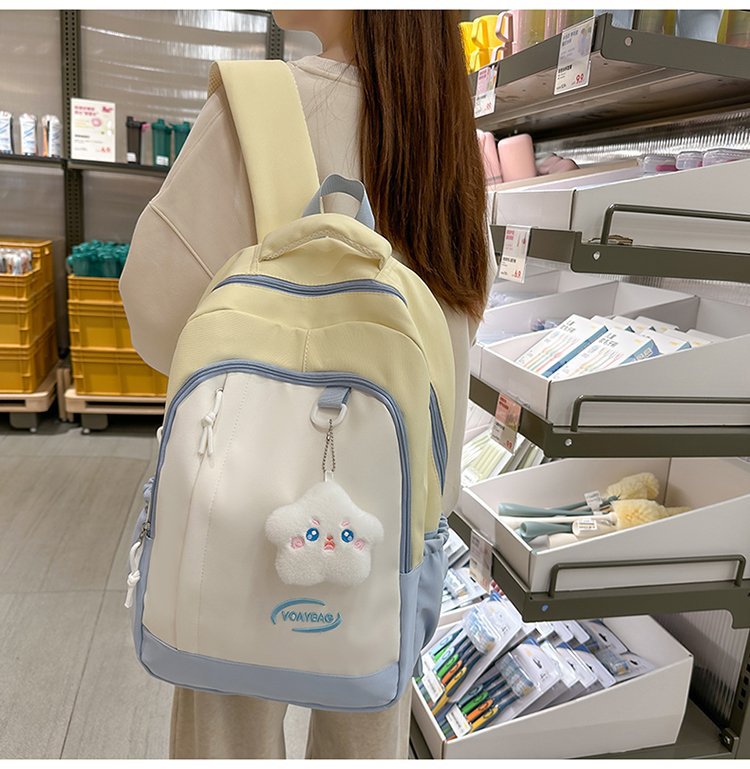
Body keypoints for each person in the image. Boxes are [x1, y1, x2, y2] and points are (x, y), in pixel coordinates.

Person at [120, 9, 496, 760]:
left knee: (229, 721)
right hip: (402, 508)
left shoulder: (259, 106)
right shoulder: (446, 130)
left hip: (252, 493)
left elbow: (155, 313)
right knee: (367, 718)